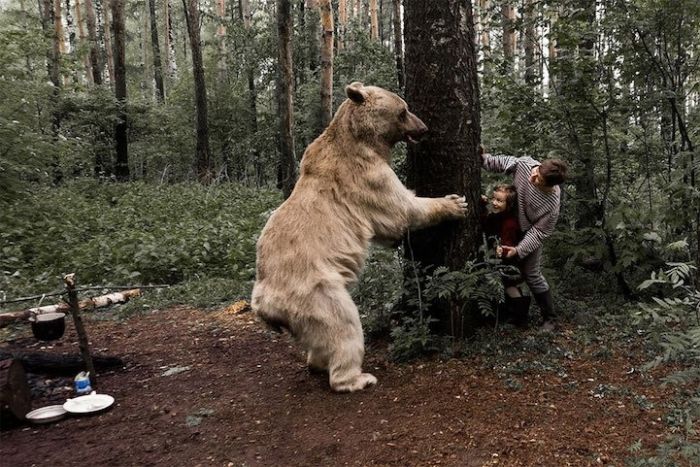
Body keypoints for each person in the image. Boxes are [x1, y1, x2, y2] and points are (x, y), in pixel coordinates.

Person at [481, 147, 568, 331]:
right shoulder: (526, 165)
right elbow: (503, 162)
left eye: (539, 180)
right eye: (536, 172)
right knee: (506, 271)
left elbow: (540, 232)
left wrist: (519, 250)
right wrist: (483, 159)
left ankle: (550, 318)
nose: (532, 177)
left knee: (531, 273)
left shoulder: (552, 203)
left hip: (529, 233)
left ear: (550, 186)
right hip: (510, 225)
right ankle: (516, 315)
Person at [481, 184, 530, 328]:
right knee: (508, 286)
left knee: (510, 286)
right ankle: (513, 315)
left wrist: (501, 249)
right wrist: (482, 204)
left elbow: (508, 241)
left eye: (500, 201)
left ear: (509, 205)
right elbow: (486, 223)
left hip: (510, 259)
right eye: (494, 199)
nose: (495, 203)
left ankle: (521, 319)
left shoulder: (509, 222)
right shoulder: (498, 217)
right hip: (504, 258)